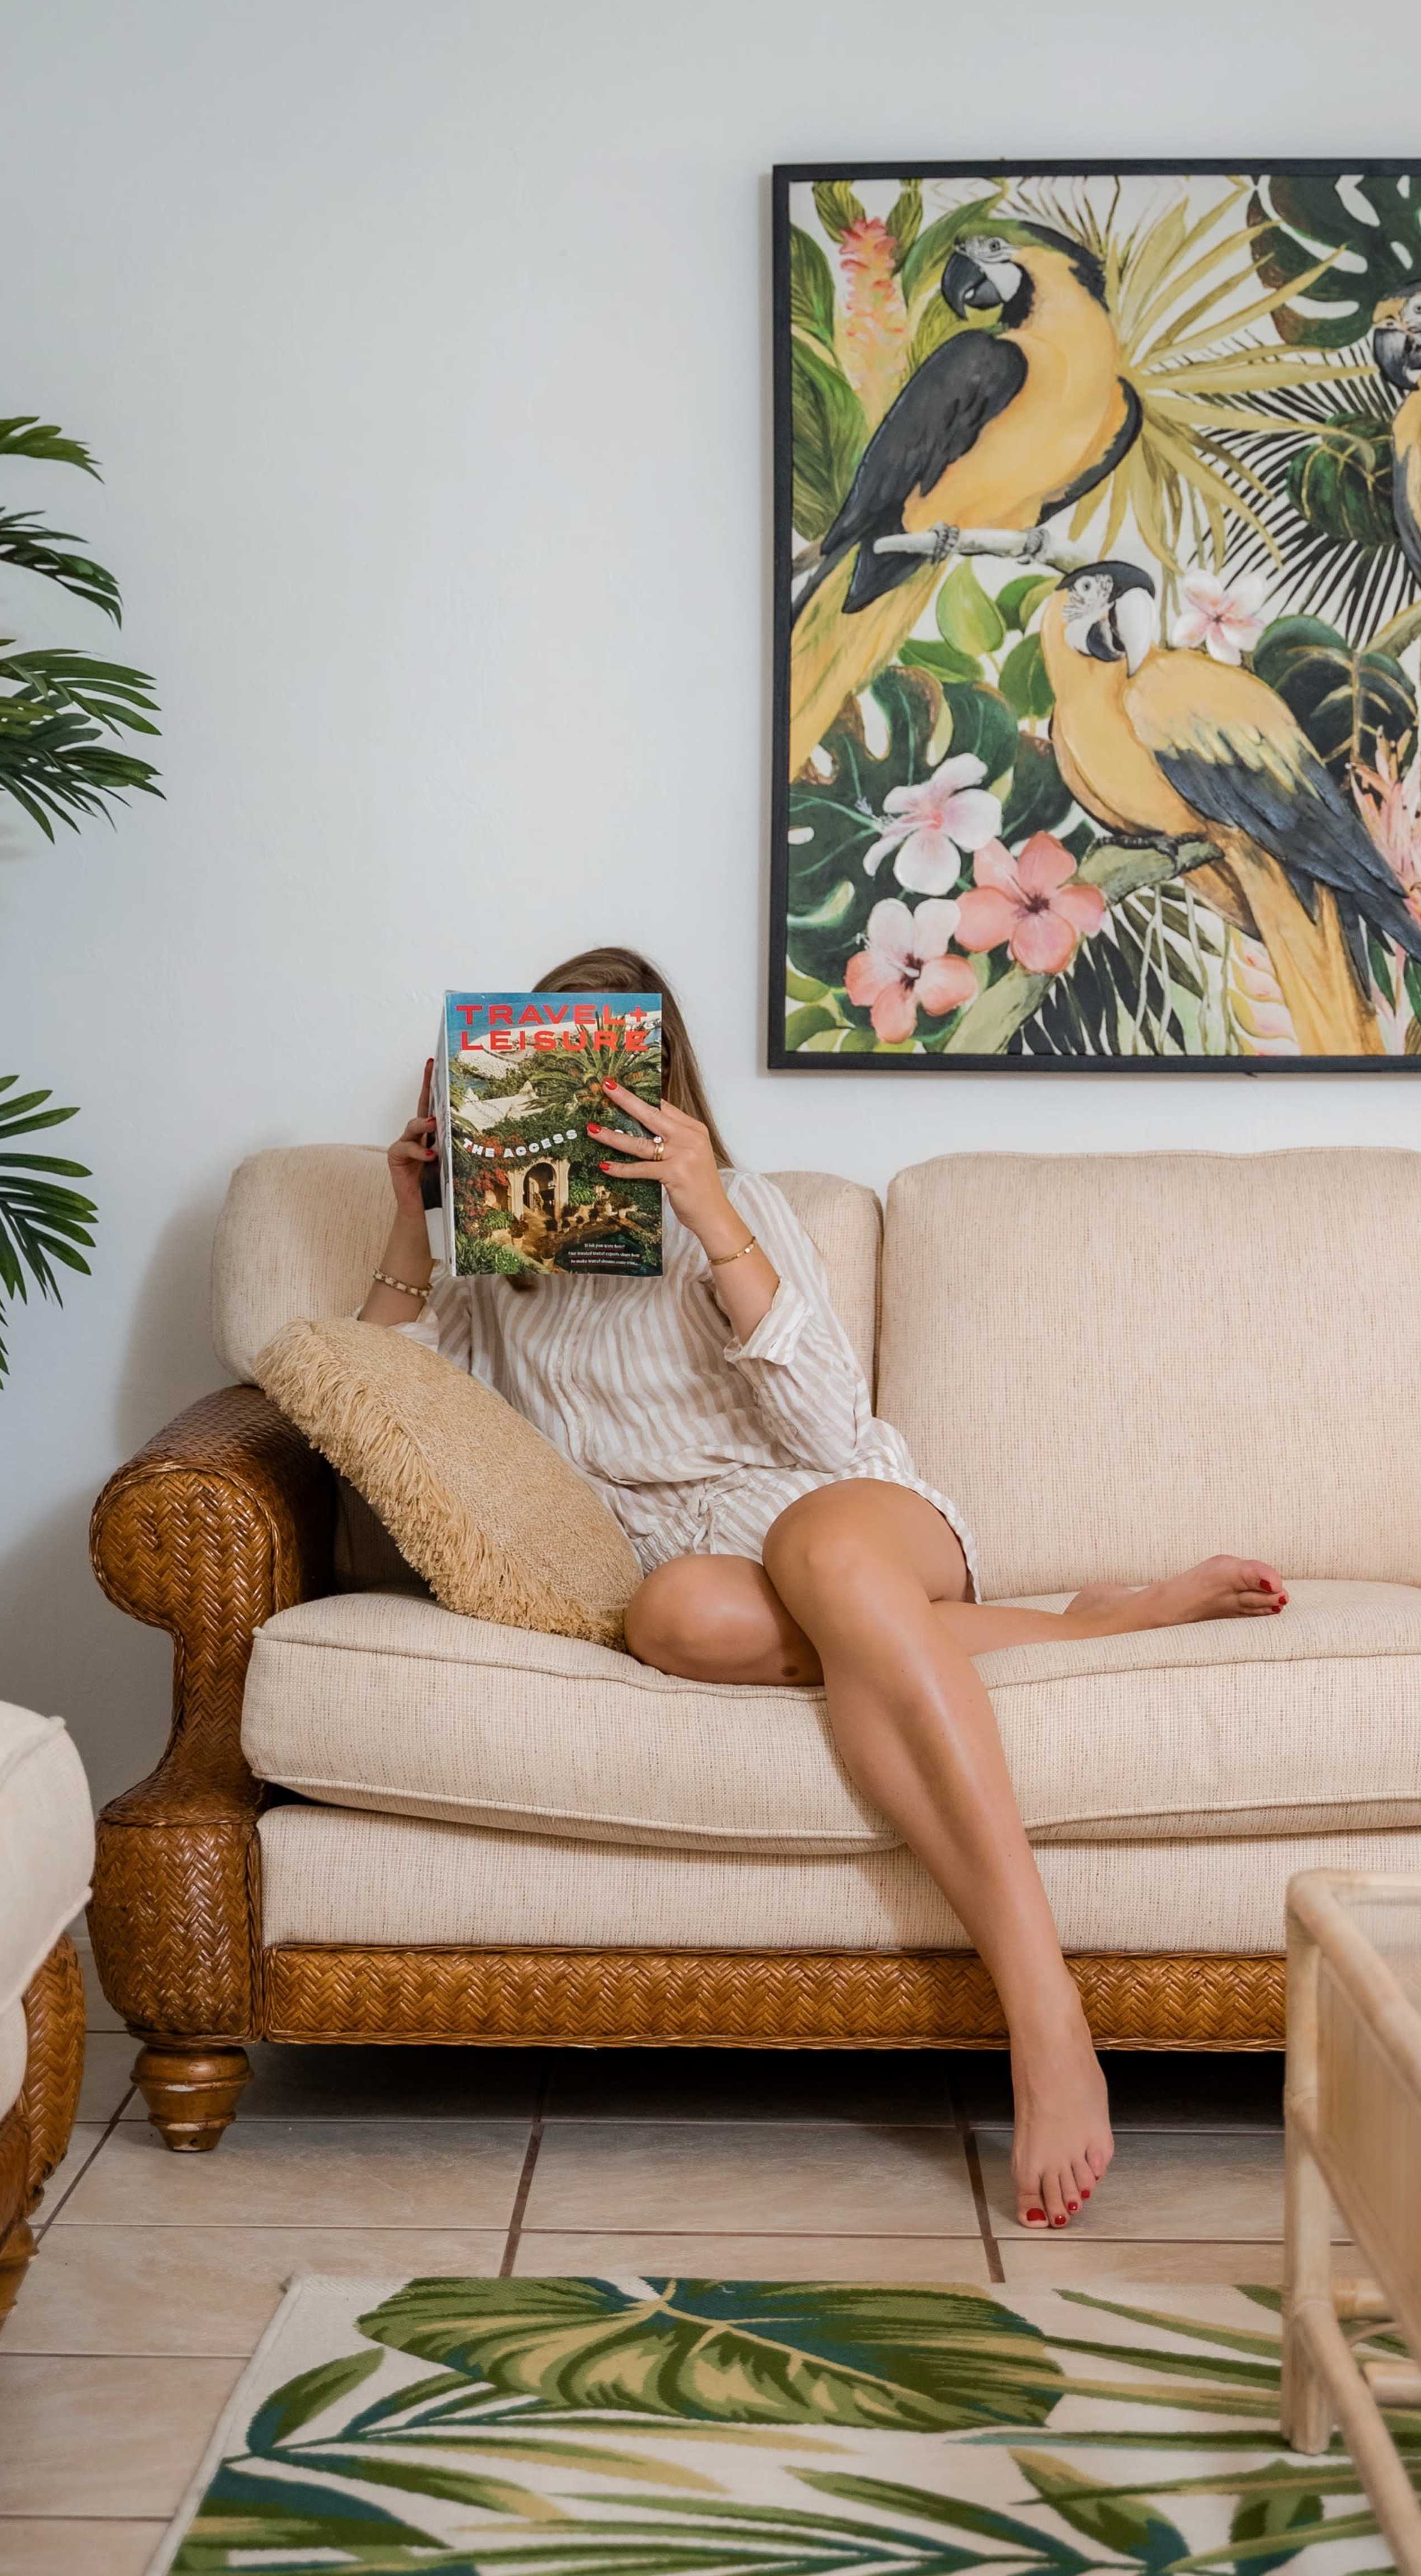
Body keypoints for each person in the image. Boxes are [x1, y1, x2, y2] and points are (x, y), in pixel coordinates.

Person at [361, 946, 1288, 2230]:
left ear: (651, 1077)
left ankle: (1044, 2007)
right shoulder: (500, 1261)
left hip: (853, 1514)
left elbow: (828, 1421)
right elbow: (388, 1409)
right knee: (673, 1614)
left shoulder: (738, 1203)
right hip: (696, 1561)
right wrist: (416, 1208)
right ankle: (1090, 1622)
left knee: (821, 1552)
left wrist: (708, 1214)